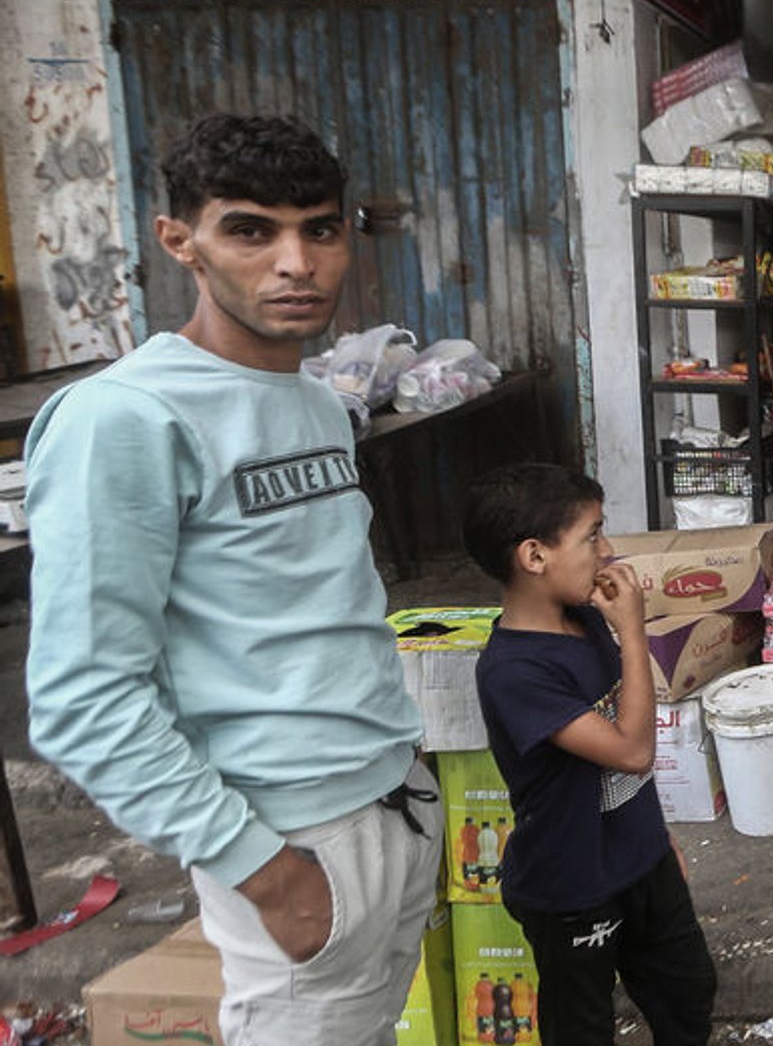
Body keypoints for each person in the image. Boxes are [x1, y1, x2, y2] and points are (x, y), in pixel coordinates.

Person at [23, 113, 441, 1043]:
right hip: (292, 844)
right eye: (251, 230)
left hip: (393, 810)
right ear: (183, 242)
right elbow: (82, 697)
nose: (296, 262)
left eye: (320, 229)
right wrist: (263, 870)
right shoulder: (123, 419)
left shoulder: (320, 406)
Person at [463, 463, 717, 1046]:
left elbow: (622, 737)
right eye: (592, 536)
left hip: (642, 860)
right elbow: (630, 750)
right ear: (534, 556)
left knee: (688, 992)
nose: (607, 550)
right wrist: (634, 632)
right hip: (571, 888)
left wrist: (660, 840)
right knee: (581, 1029)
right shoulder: (514, 671)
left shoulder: (584, 618)